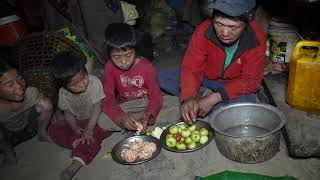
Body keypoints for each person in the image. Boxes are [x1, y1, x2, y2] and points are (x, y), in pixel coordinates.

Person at [158, 0, 266, 124]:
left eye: (233, 27)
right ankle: (204, 95)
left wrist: (213, 98)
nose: (224, 33)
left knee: (246, 104)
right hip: (206, 77)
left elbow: (251, 81)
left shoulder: (256, 38)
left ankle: (211, 98)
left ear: (248, 20)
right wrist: (188, 97)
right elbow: (191, 67)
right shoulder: (203, 30)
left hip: (233, 83)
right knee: (163, 76)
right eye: (219, 24)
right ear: (212, 18)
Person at [48, 51, 112, 180]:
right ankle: (78, 141)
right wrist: (75, 128)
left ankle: (75, 165)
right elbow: (68, 114)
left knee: (94, 134)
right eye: (75, 84)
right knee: (54, 129)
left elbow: (97, 107)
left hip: (97, 118)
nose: (82, 84)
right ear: (64, 86)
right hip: (80, 122)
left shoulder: (93, 82)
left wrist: (89, 129)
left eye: (84, 77)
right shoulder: (63, 93)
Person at [103, 23, 163, 134]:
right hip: (127, 106)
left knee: (175, 107)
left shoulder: (146, 66)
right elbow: (108, 98)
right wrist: (121, 118)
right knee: (101, 120)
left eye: (128, 55)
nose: (124, 62)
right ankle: (133, 121)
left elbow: (155, 96)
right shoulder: (109, 67)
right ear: (109, 55)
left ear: (135, 51)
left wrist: (148, 113)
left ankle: (139, 120)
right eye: (116, 57)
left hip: (146, 102)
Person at [0, 59, 52, 167]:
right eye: (10, 85)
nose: (19, 86)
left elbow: (47, 107)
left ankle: (42, 133)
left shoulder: (30, 93)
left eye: (20, 79)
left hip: (30, 127)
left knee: (46, 103)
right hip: (9, 138)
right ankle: (9, 153)